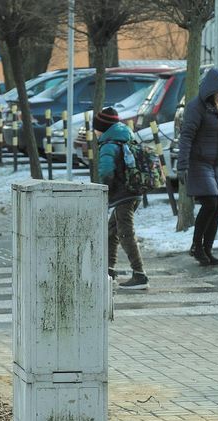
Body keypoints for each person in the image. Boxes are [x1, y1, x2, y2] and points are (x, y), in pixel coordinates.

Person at [178, 67, 218, 267]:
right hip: (200, 161)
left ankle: (208, 250)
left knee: (217, 205)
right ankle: (196, 246)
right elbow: (186, 136)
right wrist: (182, 165)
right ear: (210, 90)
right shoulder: (196, 107)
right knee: (210, 202)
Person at [94, 107, 148, 291]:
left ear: (102, 128)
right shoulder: (127, 137)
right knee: (112, 231)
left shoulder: (109, 144)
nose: (94, 132)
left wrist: (104, 189)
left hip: (122, 194)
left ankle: (140, 274)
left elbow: (106, 171)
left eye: (96, 128)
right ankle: (108, 271)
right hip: (134, 191)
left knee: (125, 233)